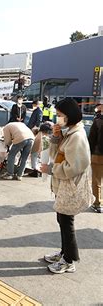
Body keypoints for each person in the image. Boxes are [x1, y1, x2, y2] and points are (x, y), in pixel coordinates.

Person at [41, 98, 93, 274]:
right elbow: (56, 154)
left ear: (69, 116)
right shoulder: (69, 132)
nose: (58, 118)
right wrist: (56, 137)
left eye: (60, 115)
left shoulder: (76, 136)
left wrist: (51, 169)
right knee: (62, 221)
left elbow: (75, 166)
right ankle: (64, 253)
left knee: (66, 223)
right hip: (63, 187)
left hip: (70, 188)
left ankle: (69, 261)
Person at [89, 102, 103, 213]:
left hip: (98, 155)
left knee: (97, 180)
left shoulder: (98, 121)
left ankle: (97, 203)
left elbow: (92, 139)